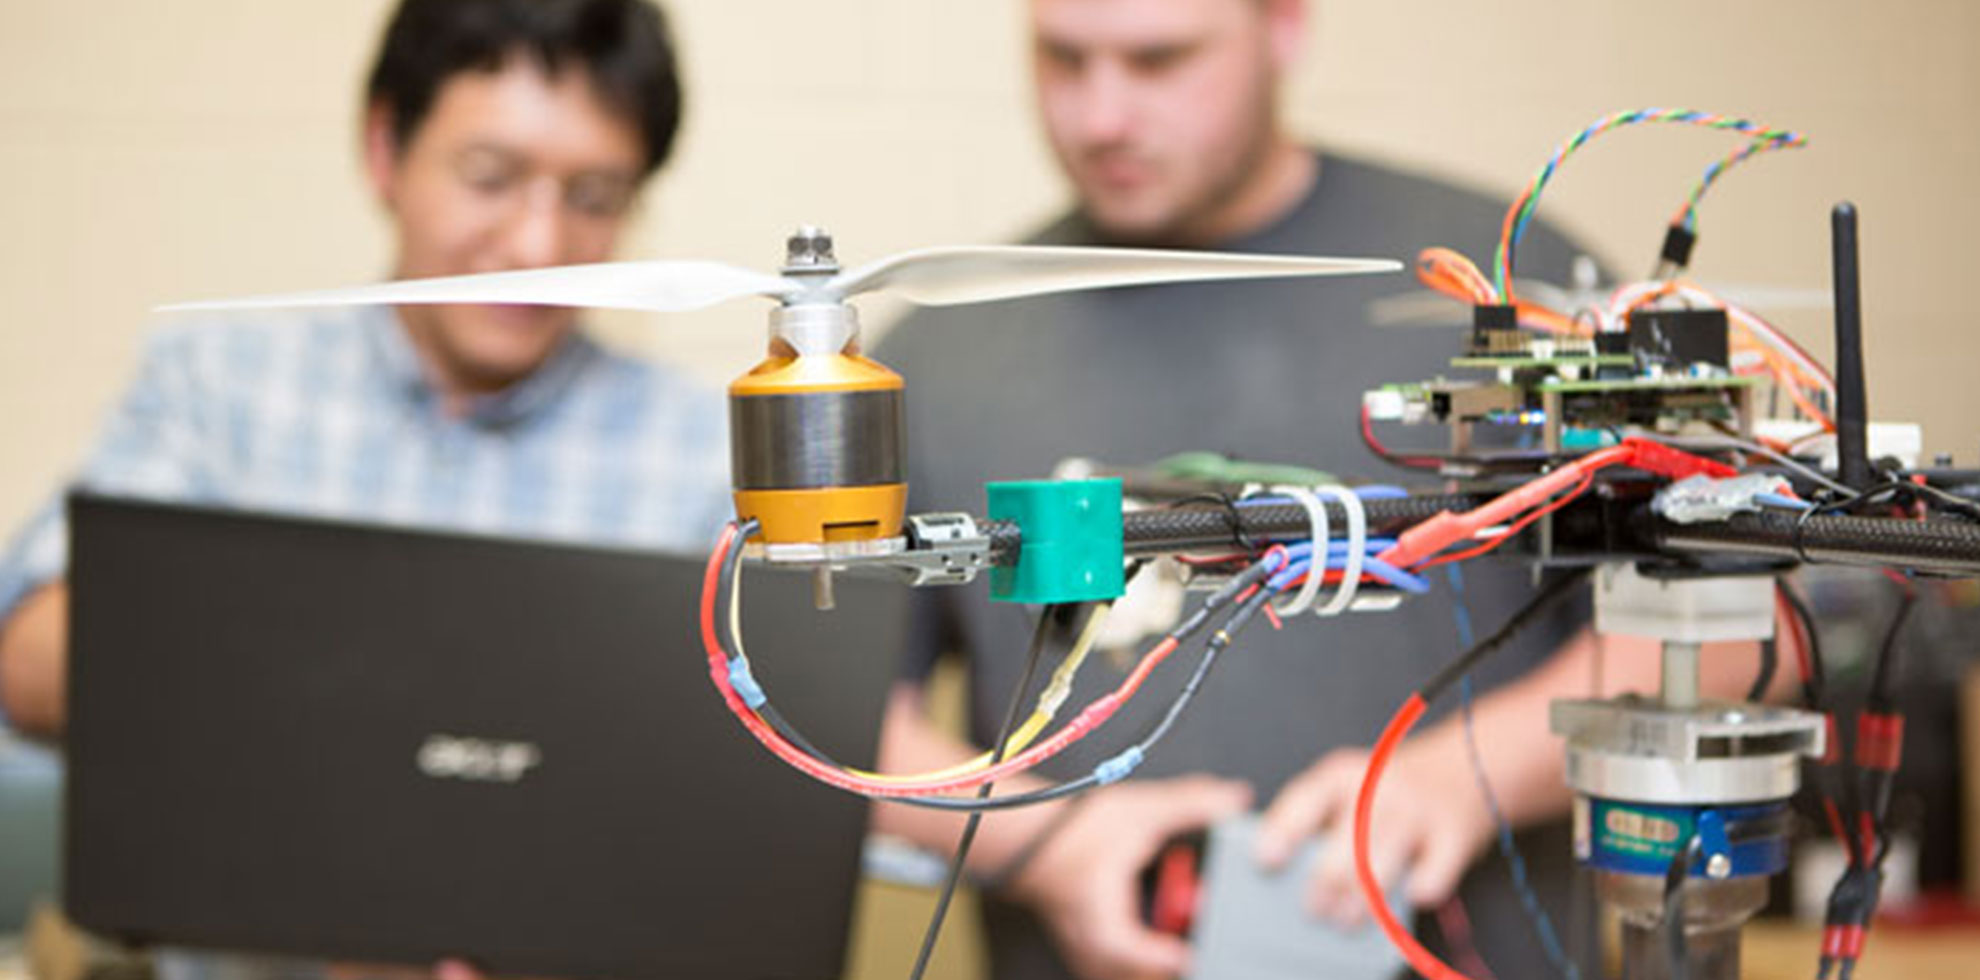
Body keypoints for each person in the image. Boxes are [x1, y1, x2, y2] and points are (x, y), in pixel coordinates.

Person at [864, 1, 1772, 978]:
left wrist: (1462, 777)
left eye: (1159, 60)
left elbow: (1732, 630)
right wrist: (1043, 842)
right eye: (1064, 59)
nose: (1102, 116)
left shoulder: (1508, 292)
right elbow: (821, 708)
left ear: (1285, 26)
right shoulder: (943, 350)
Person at [0, 0, 727, 738]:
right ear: (385, 150)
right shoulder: (218, 388)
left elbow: (812, 750)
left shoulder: (704, 452)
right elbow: (28, 663)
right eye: (489, 177)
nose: (539, 247)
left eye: (594, 199)